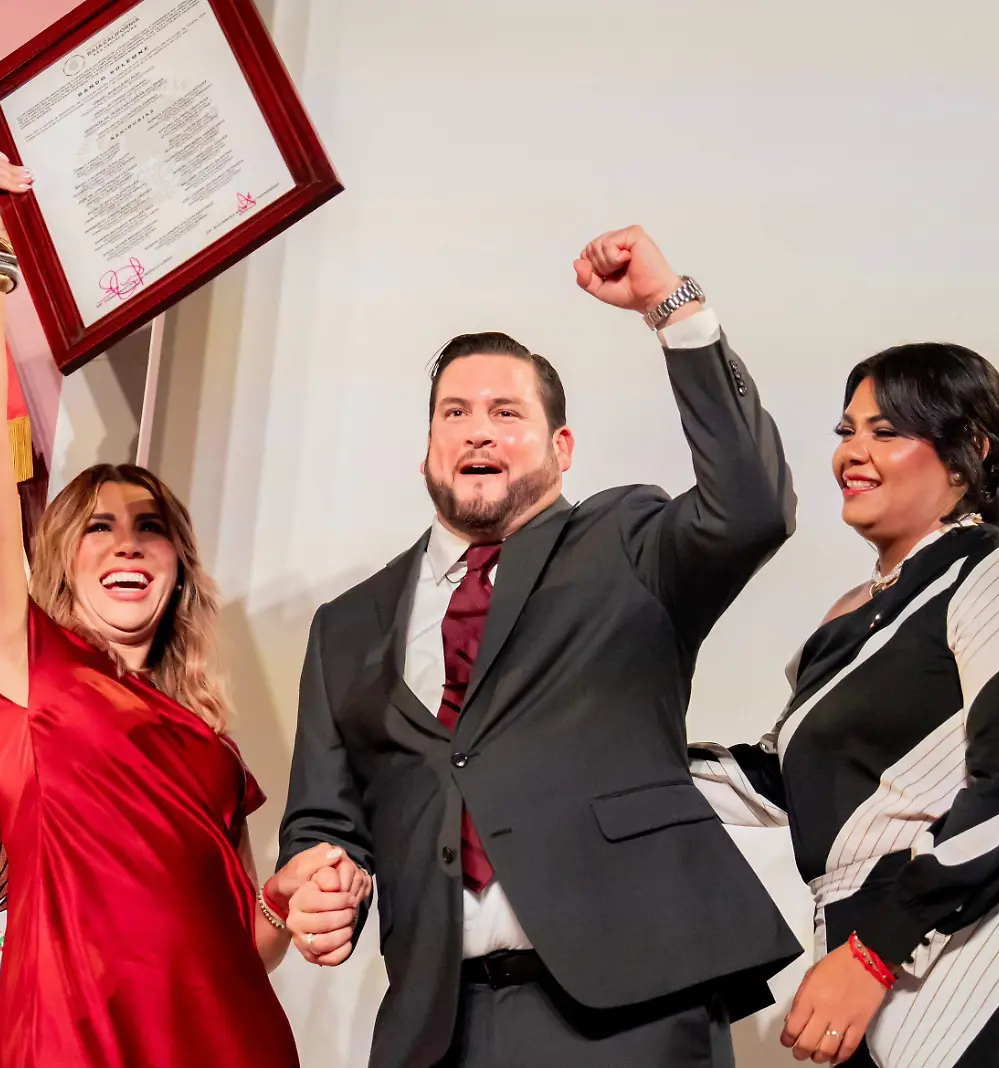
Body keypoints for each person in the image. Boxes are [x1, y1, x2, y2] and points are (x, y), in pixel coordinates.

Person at [270, 225, 805, 1068]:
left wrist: (673, 311)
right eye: (456, 413)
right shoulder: (347, 625)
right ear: (426, 455)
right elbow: (322, 820)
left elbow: (752, 507)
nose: (478, 431)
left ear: (562, 450)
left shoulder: (628, 543)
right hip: (433, 1029)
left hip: (629, 1014)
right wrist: (316, 878)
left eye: (506, 412)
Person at [0, 146, 303, 1068]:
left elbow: (241, 946)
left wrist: (292, 905)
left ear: (178, 566)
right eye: (98, 527)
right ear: (61, 558)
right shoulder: (25, 666)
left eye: (151, 527)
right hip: (76, 1043)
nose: (129, 542)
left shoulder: (213, 742)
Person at [690, 344, 999, 1066]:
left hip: (997, 959)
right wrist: (610, 757)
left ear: (969, 453)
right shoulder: (844, 621)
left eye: (886, 432)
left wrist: (873, 954)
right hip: (871, 971)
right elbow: (779, 781)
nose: (852, 454)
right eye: (845, 432)